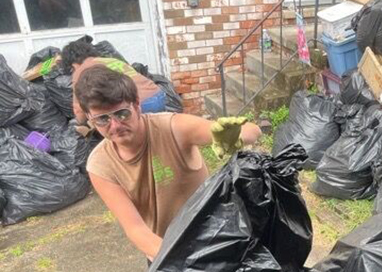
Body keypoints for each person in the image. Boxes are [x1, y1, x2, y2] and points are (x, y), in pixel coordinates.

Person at [76, 64, 261, 260]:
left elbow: (252, 131)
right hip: (165, 253)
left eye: (122, 114)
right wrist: (179, 261)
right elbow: (136, 228)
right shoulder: (100, 165)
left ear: (137, 105)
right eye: (102, 119)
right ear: (89, 118)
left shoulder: (173, 128)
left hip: (216, 238)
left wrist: (233, 136)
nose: (115, 125)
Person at [60, 39, 166, 123]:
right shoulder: (110, 60)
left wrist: (80, 124)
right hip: (159, 95)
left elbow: (78, 109)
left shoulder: (80, 71)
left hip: (140, 104)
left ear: (72, 63)